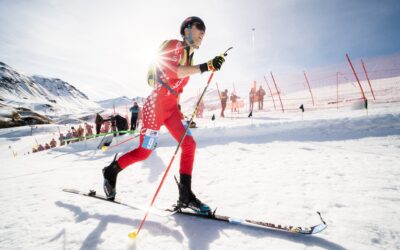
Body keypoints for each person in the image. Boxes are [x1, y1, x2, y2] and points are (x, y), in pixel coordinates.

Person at [102, 16, 225, 212]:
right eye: (199, 27)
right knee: (145, 152)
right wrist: (206, 66)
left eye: (205, 30)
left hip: (170, 110)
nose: (203, 32)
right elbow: (173, 72)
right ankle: (111, 171)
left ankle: (185, 196)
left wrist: (179, 111)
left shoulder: (189, 58)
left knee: (189, 145)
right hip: (155, 106)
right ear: (186, 30)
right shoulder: (175, 46)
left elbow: (178, 87)